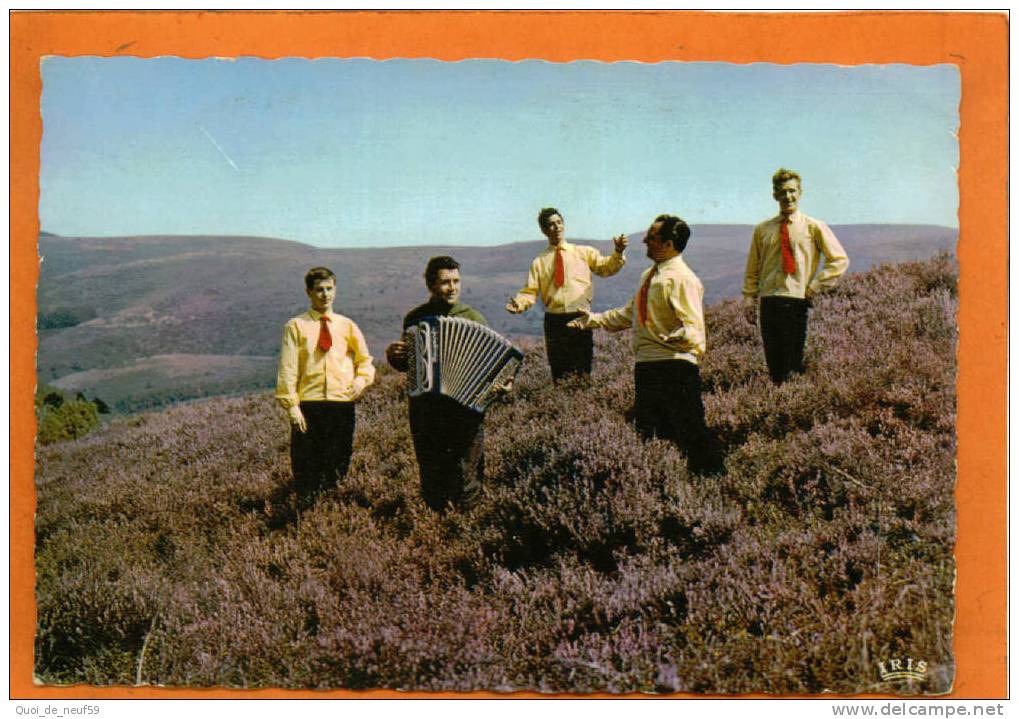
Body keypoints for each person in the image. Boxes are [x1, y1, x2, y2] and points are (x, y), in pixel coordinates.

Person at [569, 215, 722, 476]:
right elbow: (630, 314)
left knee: (690, 433)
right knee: (652, 436)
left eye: (651, 237)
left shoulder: (682, 279)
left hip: (675, 367)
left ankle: (711, 485)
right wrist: (593, 321)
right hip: (647, 367)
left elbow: (695, 328)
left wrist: (681, 338)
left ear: (669, 244)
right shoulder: (648, 276)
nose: (644, 241)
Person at [386, 256, 494, 512]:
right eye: (445, 282)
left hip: (465, 409)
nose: (453, 287)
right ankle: (437, 526)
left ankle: (467, 526)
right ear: (431, 285)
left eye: (456, 281)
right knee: (432, 471)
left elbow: (490, 361)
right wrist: (395, 357)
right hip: (427, 409)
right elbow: (410, 365)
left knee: (467, 472)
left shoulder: (473, 317)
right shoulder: (415, 318)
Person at [276, 266, 375, 510]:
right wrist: (292, 407)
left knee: (338, 462)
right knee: (306, 464)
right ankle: (305, 515)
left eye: (329, 289)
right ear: (309, 292)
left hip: (341, 404)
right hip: (309, 405)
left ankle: (332, 513)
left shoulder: (347, 326)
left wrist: (360, 381)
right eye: (319, 290)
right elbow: (288, 369)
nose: (325, 295)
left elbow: (365, 361)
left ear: (335, 290)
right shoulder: (295, 327)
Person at [742, 168, 849, 384]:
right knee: (774, 365)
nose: (787, 196)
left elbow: (839, 260)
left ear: (800, 192)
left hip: (796, 301)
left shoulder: (814, 227)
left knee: (793, 364)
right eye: (782, 192)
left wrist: (816, 286)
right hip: (769, 301)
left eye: (792, 191)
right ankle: (780, 407)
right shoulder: (763, 229)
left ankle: (795, 405)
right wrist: (748, 299)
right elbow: (753, 268)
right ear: (775, 195)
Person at [505, 207, 628, 382]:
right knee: (560, 375)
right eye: (551, 225)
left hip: (581, 318)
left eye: (559, 222)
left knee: (583, 373)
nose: (557, 227)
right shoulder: (539, 262)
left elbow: (607, 267)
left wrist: (618, 252)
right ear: (544, 230)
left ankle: (581, 405)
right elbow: (530, 291)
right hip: (554, 322)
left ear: (564, 224)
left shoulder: (584, 253)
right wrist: (518, 304)